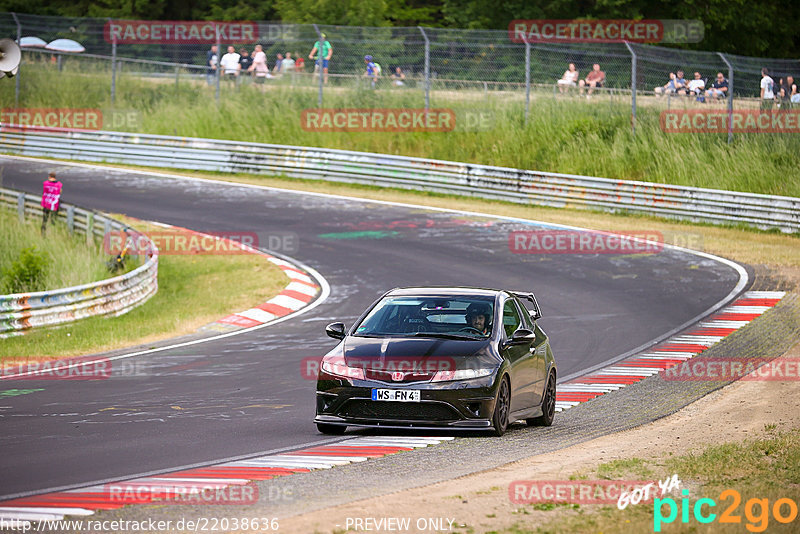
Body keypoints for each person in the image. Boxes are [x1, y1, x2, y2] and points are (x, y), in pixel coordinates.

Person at [41, 171, 62, 236]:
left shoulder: (45, 183)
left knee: (44, 220)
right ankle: (53, 234)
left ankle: (43, 233)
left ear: (49, 176)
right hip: (54, 205)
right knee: (53, 220)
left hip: (46, 203)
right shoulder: (59, 184)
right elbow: (60, 192)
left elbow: (44, 192)